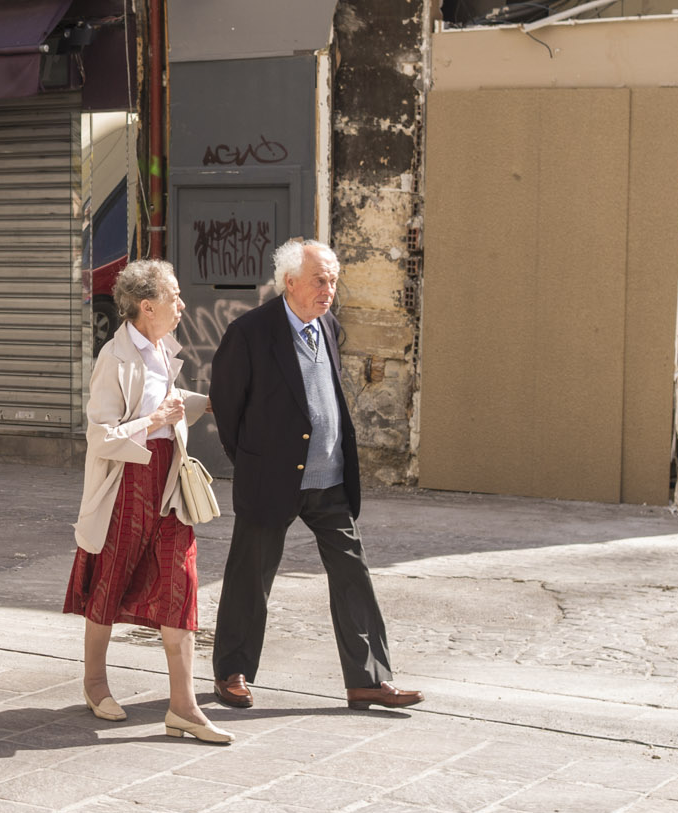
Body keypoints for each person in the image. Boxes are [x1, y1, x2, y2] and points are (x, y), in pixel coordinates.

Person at [207, 239, 424, 712]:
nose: (330, 289)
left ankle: (368, 679)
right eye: (320, 280)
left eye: (333, 279)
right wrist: (251, 460)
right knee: (251, 576)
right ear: (290, 283)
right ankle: (232, 672)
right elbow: (227, 405)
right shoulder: (250, 332)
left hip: (328, 479)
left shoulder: (326, 324)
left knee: (353, 574)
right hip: (272, 479)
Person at [65, 259, 232, 744]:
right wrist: (157, 419)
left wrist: (206, 403)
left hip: (169, 483)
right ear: (147, 306)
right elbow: (101, 436)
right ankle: (95, 683)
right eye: (174, 297)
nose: (183, 305)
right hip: (127, 485)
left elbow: (170, 397)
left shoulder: (161, 348)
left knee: (181, 587)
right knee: (110, 583)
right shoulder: (112, 359)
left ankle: (185, 707)